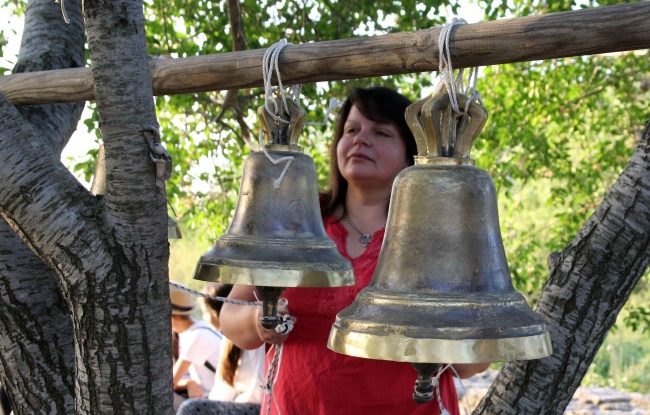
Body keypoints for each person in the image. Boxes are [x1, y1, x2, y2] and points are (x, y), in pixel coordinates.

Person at [220, 86, 489, 415]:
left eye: (380, 132)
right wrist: (257, 320)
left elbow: (472, 364)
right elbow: (230, 317)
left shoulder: (436, 234)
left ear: (410, 154)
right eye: (351, 130)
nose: (361, 140)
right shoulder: (293, 218)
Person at [176, 284, 265, 415]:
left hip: (257, 407)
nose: (204, 318)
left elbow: (259, 389)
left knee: (191, 408)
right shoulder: (228, 339)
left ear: (217, 311)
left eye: (205, 312)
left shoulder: (255, 338)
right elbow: (223, 388)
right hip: (239, 402)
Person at [171, 283, 223, 410]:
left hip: (214, 401)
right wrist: (188, 383)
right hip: (203, 396)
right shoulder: (190, 331)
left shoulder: (198, 336)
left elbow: (169, 382)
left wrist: (188, 383)